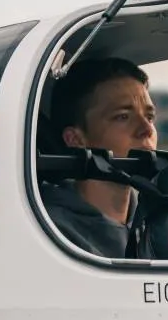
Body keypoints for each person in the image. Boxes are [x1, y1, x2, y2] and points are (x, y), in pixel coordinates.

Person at [40, 57, 158, 257]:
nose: (146, 129)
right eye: (123, 117)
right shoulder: (49, 234)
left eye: (149, 117)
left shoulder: (160, 221)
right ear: (75, 139)